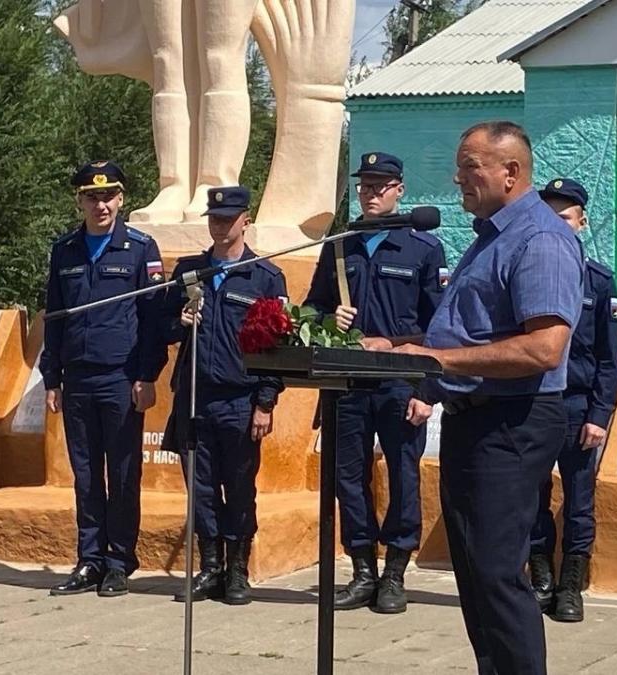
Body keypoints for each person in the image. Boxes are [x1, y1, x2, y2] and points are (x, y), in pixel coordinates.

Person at [367, 122, 583, 675]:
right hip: (473, 421)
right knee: (476, 575)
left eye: (470, 167)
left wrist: (436, 363)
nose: (458, 178)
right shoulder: (491, 237)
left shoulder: (540, 239)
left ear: (510, 173)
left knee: (496, 575)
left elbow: (544, 348)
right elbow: (463, 337)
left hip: (513, 422)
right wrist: (394, 347)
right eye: (460, 167)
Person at [304, 152, 447, 614]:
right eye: (365, 185)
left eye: (381, 186)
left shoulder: (422, 248)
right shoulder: (341, 244)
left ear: (399, 190)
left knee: (404, 475)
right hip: (348, 382)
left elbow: (440, 327)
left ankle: (395, 574)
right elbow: (311, 308)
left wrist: (428, 390)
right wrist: (329, 315)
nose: (371, 193)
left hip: (401, 383)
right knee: (348, 476)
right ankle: (363, 569)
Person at [41, 160, 169, 597]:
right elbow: (55, 317)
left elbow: (153, 319)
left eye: (109, 195)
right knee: (85, 475)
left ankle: (119, 561)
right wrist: (51, 376)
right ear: (79, 200)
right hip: (77, 378)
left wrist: (147, 374)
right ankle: (89, 559)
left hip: (121, 377)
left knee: (123, 471)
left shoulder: (139, 248)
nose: (101, 204)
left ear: (121, 199)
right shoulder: (65, 251)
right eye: (92, 197)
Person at [162, 186, 287, 606]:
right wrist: (177, 322)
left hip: (240, 399)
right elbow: (158, 330)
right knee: (199, 489)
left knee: (239, 488)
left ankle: (237, 569)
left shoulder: (265, 277)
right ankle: (210, 566)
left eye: (228, 218)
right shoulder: (188, 271)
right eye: (214, 218)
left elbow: (277, 349)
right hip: (195, 398)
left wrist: (265, 402)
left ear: (245, 220)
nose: (220, 225)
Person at [529, 178, 617, 623]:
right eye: (549, 215)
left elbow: (607, 357)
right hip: (533, 405)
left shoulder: (598, 281)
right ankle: (541, 577)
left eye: (565, 216)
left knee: (579, 500)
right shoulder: (530, 273)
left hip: (578, 409)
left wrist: (599, 415)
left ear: (581, 222)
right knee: (533, 496)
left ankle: (571, 585)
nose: (557, 224)